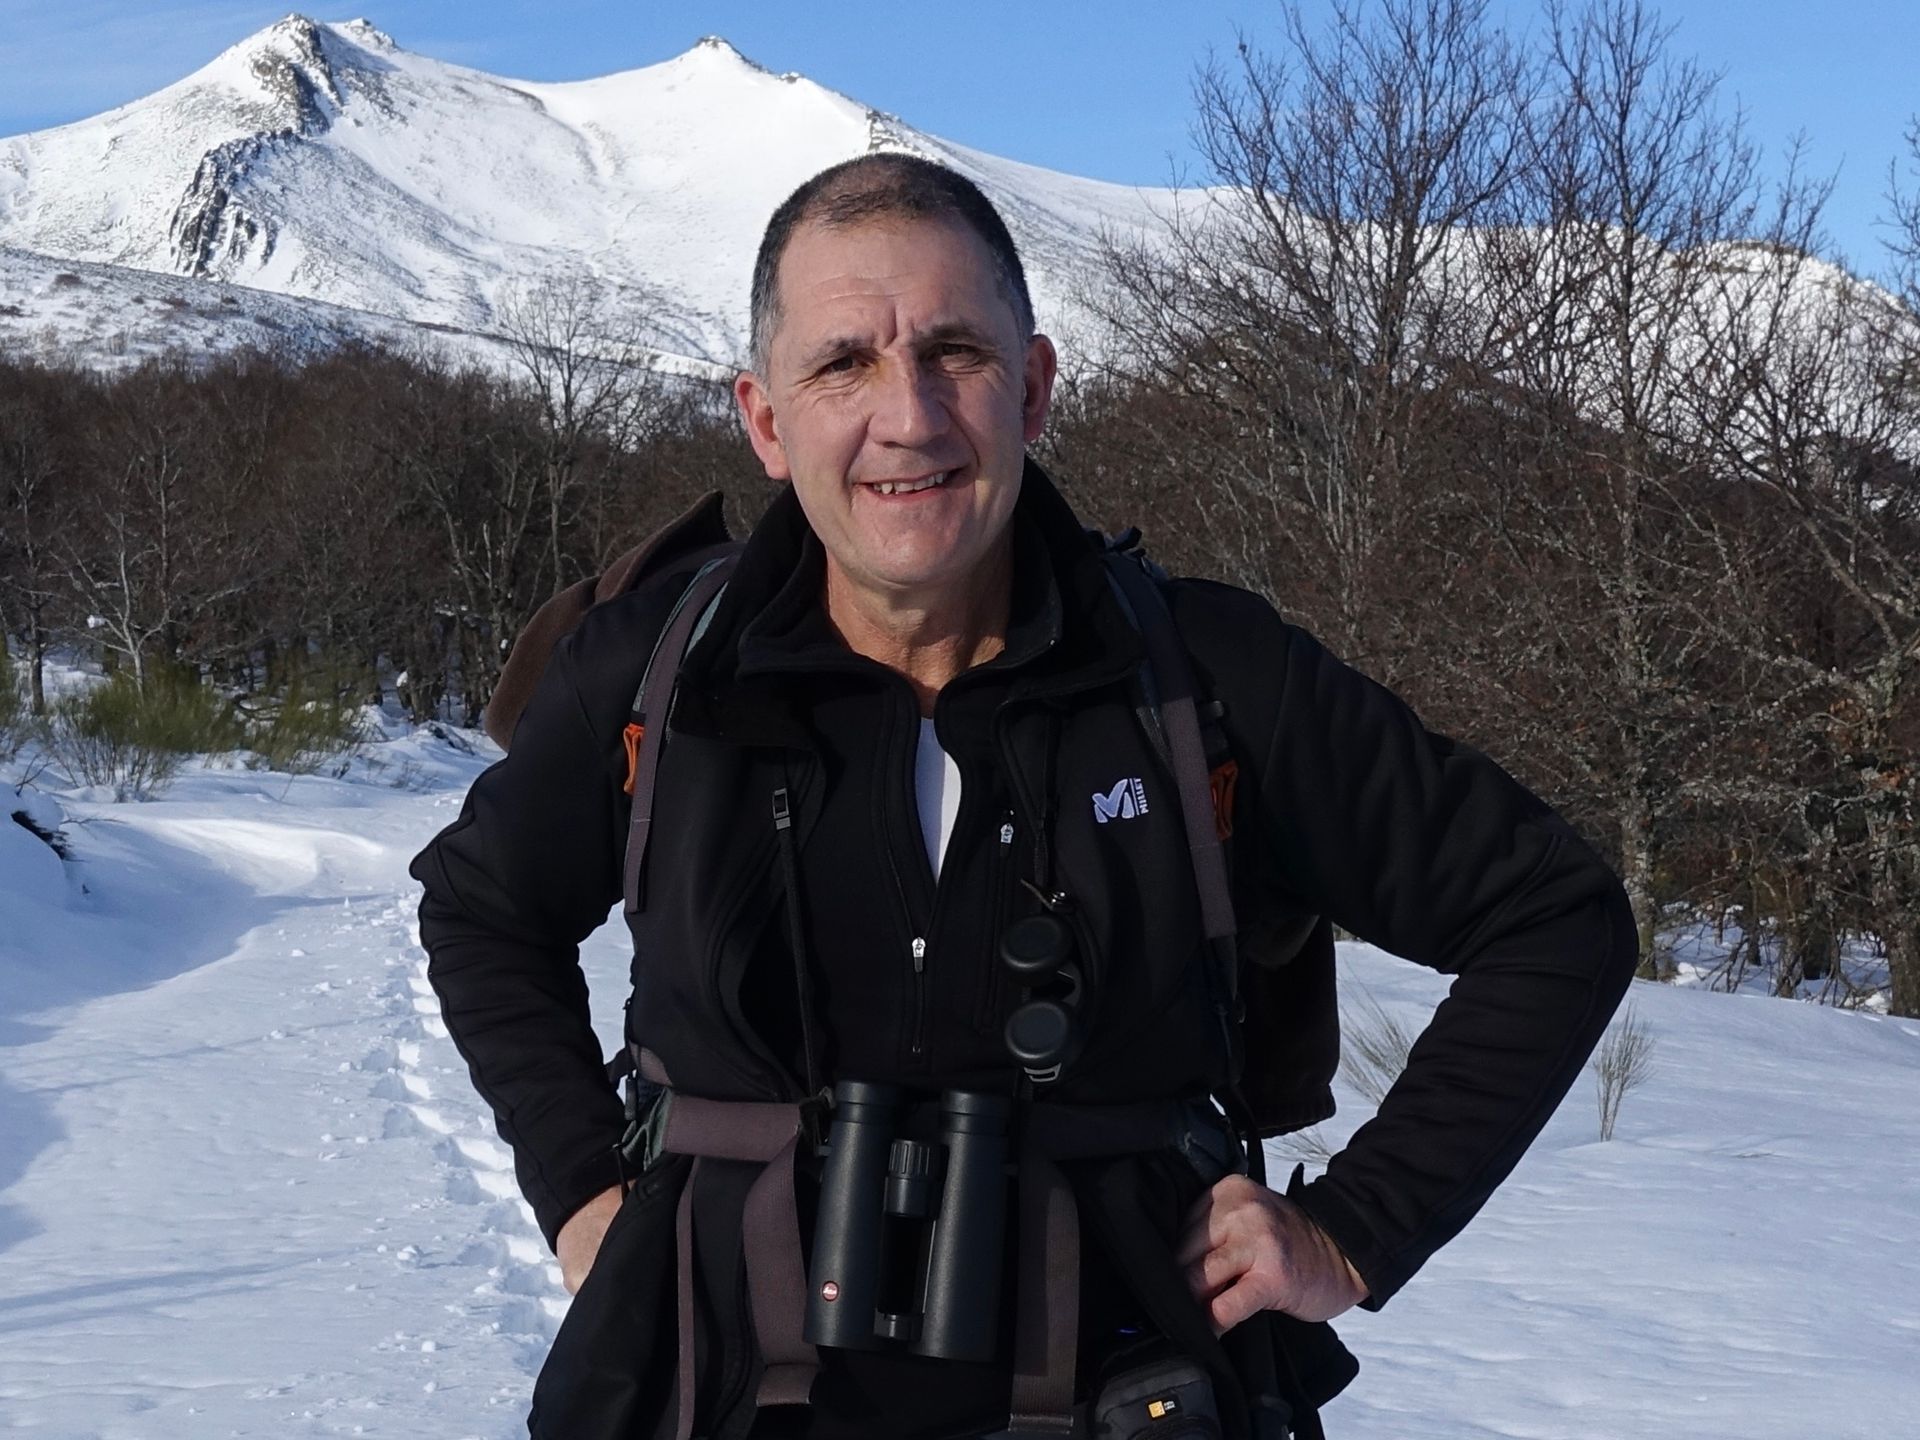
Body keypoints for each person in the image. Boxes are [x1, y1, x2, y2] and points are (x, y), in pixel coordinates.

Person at [411, 154, 1638, 1440]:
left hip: (1121, 1392)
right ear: (766, 423)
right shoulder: (660, 677)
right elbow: (482, 909)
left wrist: (1356, 1227)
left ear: (1035, 387)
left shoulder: (1202, 679)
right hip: (713, 1390)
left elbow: (1552, 917)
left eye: (956, 353)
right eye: (843, 365)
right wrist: (582, 1192)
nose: (909, 416)